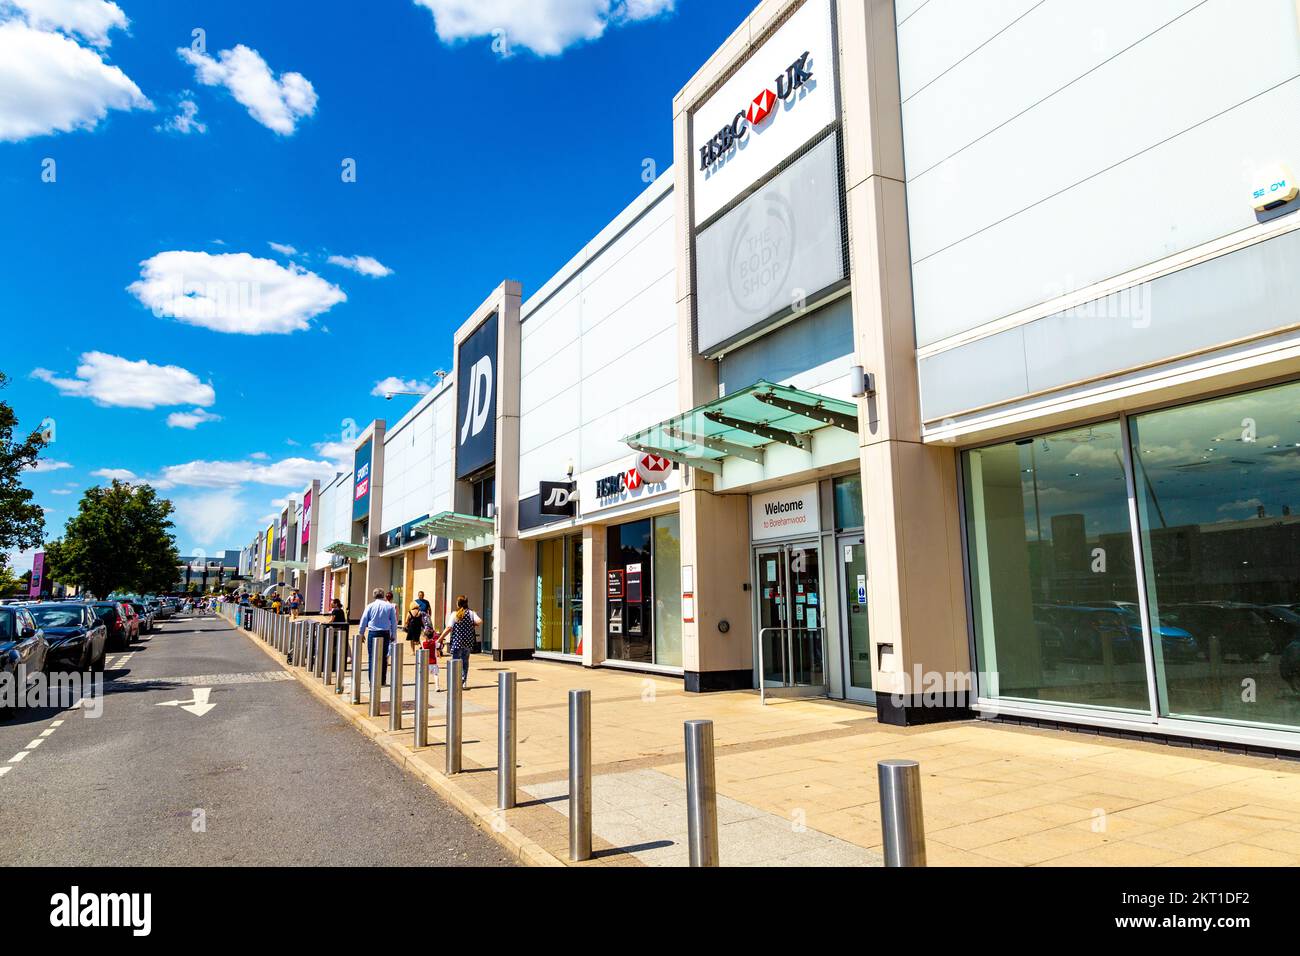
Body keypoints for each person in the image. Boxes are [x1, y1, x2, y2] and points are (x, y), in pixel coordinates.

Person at [439, 595, 481, 691]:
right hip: (468, 642)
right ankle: (463, 681)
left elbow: (449, 628)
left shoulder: (455, 614)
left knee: (455, 661)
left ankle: (455, 682)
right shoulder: (471, 613)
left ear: (458, 603)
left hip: (457, 642)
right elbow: (479, 621)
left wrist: (440, 638)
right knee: (465, 662)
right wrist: (472, 624)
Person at [358, 588, 397, 689]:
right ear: (383, 595)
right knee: (384, 657)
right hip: (385, 633)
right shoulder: (389, 606)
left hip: (373, 632)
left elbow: (364, 620)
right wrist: (394, 635)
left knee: (372, 657)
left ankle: (372, 680)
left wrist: (361, 633)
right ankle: (382, 679)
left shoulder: (370, 606)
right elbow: (394, 622)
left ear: (374, 595)